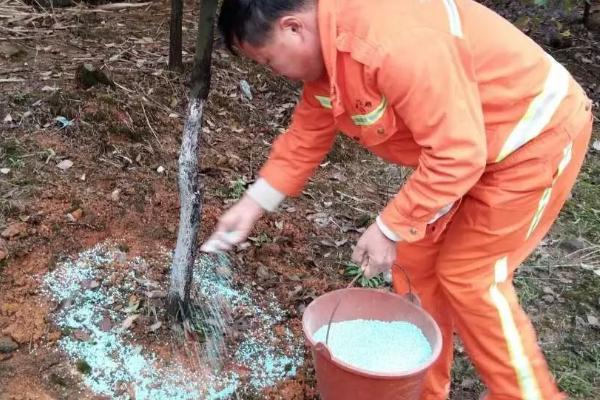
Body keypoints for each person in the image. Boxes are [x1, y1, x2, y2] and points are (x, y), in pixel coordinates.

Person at [201, 0, 594, 399]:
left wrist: (388, 228)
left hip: (529, 137)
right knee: (416, 263)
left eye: (268, 61)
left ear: (293, 27)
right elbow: (306, 137)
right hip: (465, 149)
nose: (276, 73)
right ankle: (423, 390)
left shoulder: (393, 41)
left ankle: (527, 394)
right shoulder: (328, 58)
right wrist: (252, 204)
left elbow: (457, 154)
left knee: (471, 275)